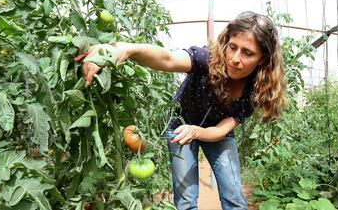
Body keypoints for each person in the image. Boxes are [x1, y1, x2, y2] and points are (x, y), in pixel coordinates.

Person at [75, 11, 286, 210]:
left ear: (263, 59)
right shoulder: (208, 59)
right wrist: (128, 49)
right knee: (185, 199)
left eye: (248, 53)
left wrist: (196, 131)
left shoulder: (256, 90)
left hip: (216, 134)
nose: (235, 58)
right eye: (233, 47)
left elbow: (222, 130)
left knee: (234, 197)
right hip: (179, 125)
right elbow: (168, 59)